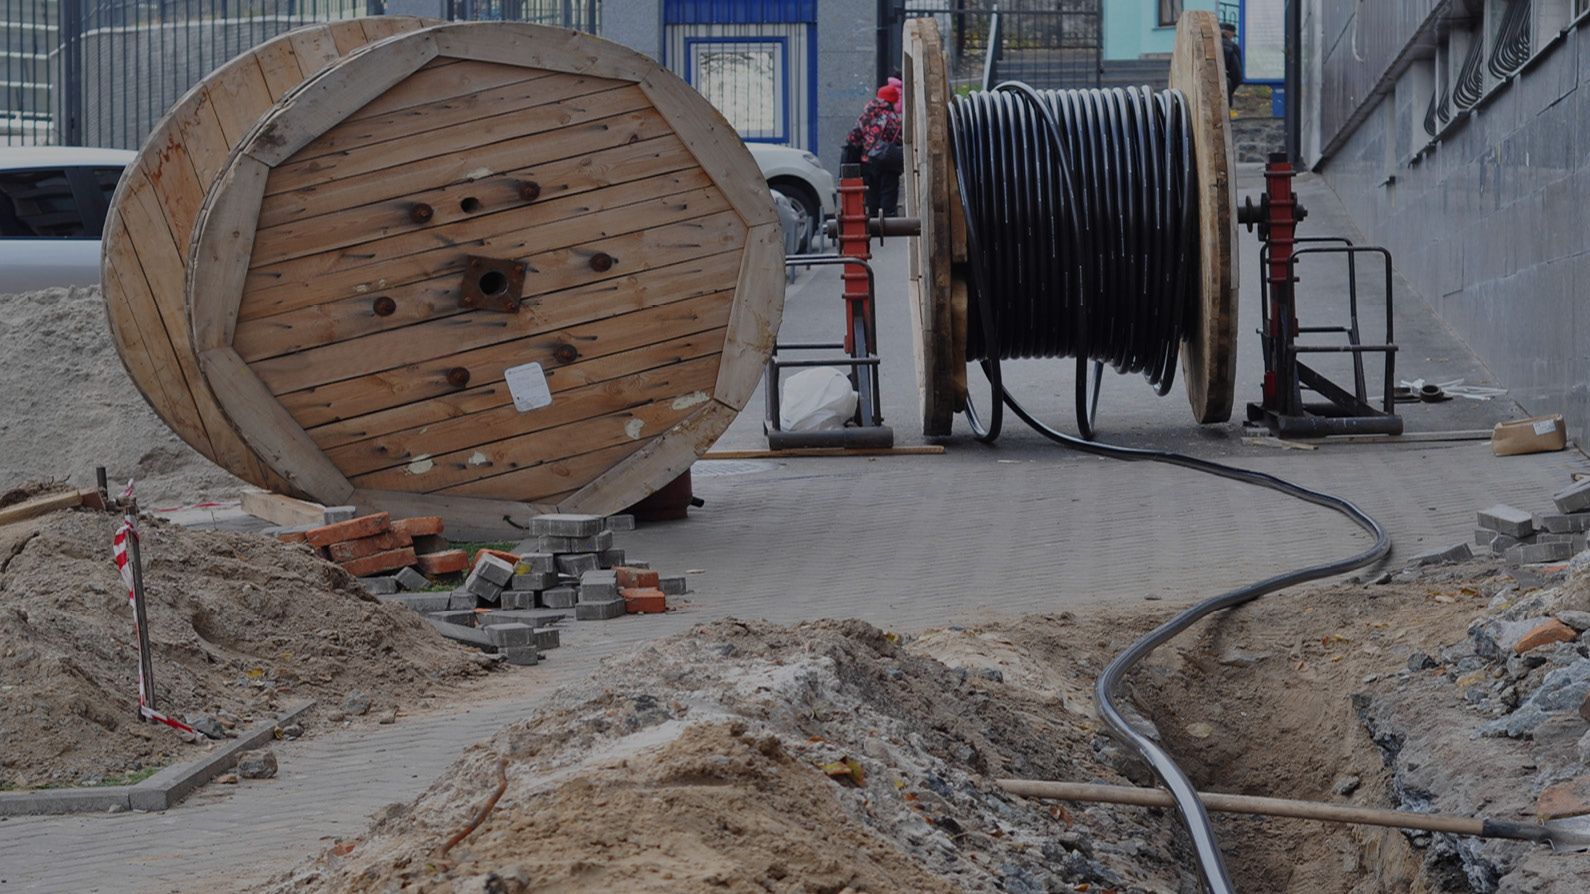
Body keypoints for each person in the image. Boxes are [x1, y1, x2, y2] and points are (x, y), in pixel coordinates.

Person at [843, 82, 904, 217]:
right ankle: (889, 227)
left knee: (871, 197)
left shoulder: (866, 114)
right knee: (888, 196)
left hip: (868, 162)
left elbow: (854, 137)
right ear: (893, 100)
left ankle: (874, 225)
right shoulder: (894, 119)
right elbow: (900, 139)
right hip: (888, 164)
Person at [1220, 21, 1244, 105]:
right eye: (1232, 35)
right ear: (1228, 33)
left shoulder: (1206, 43)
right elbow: (1237, 74)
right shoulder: (1232, 47)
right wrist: (1230, 89)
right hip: (1225, 88)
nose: (1232, 38)